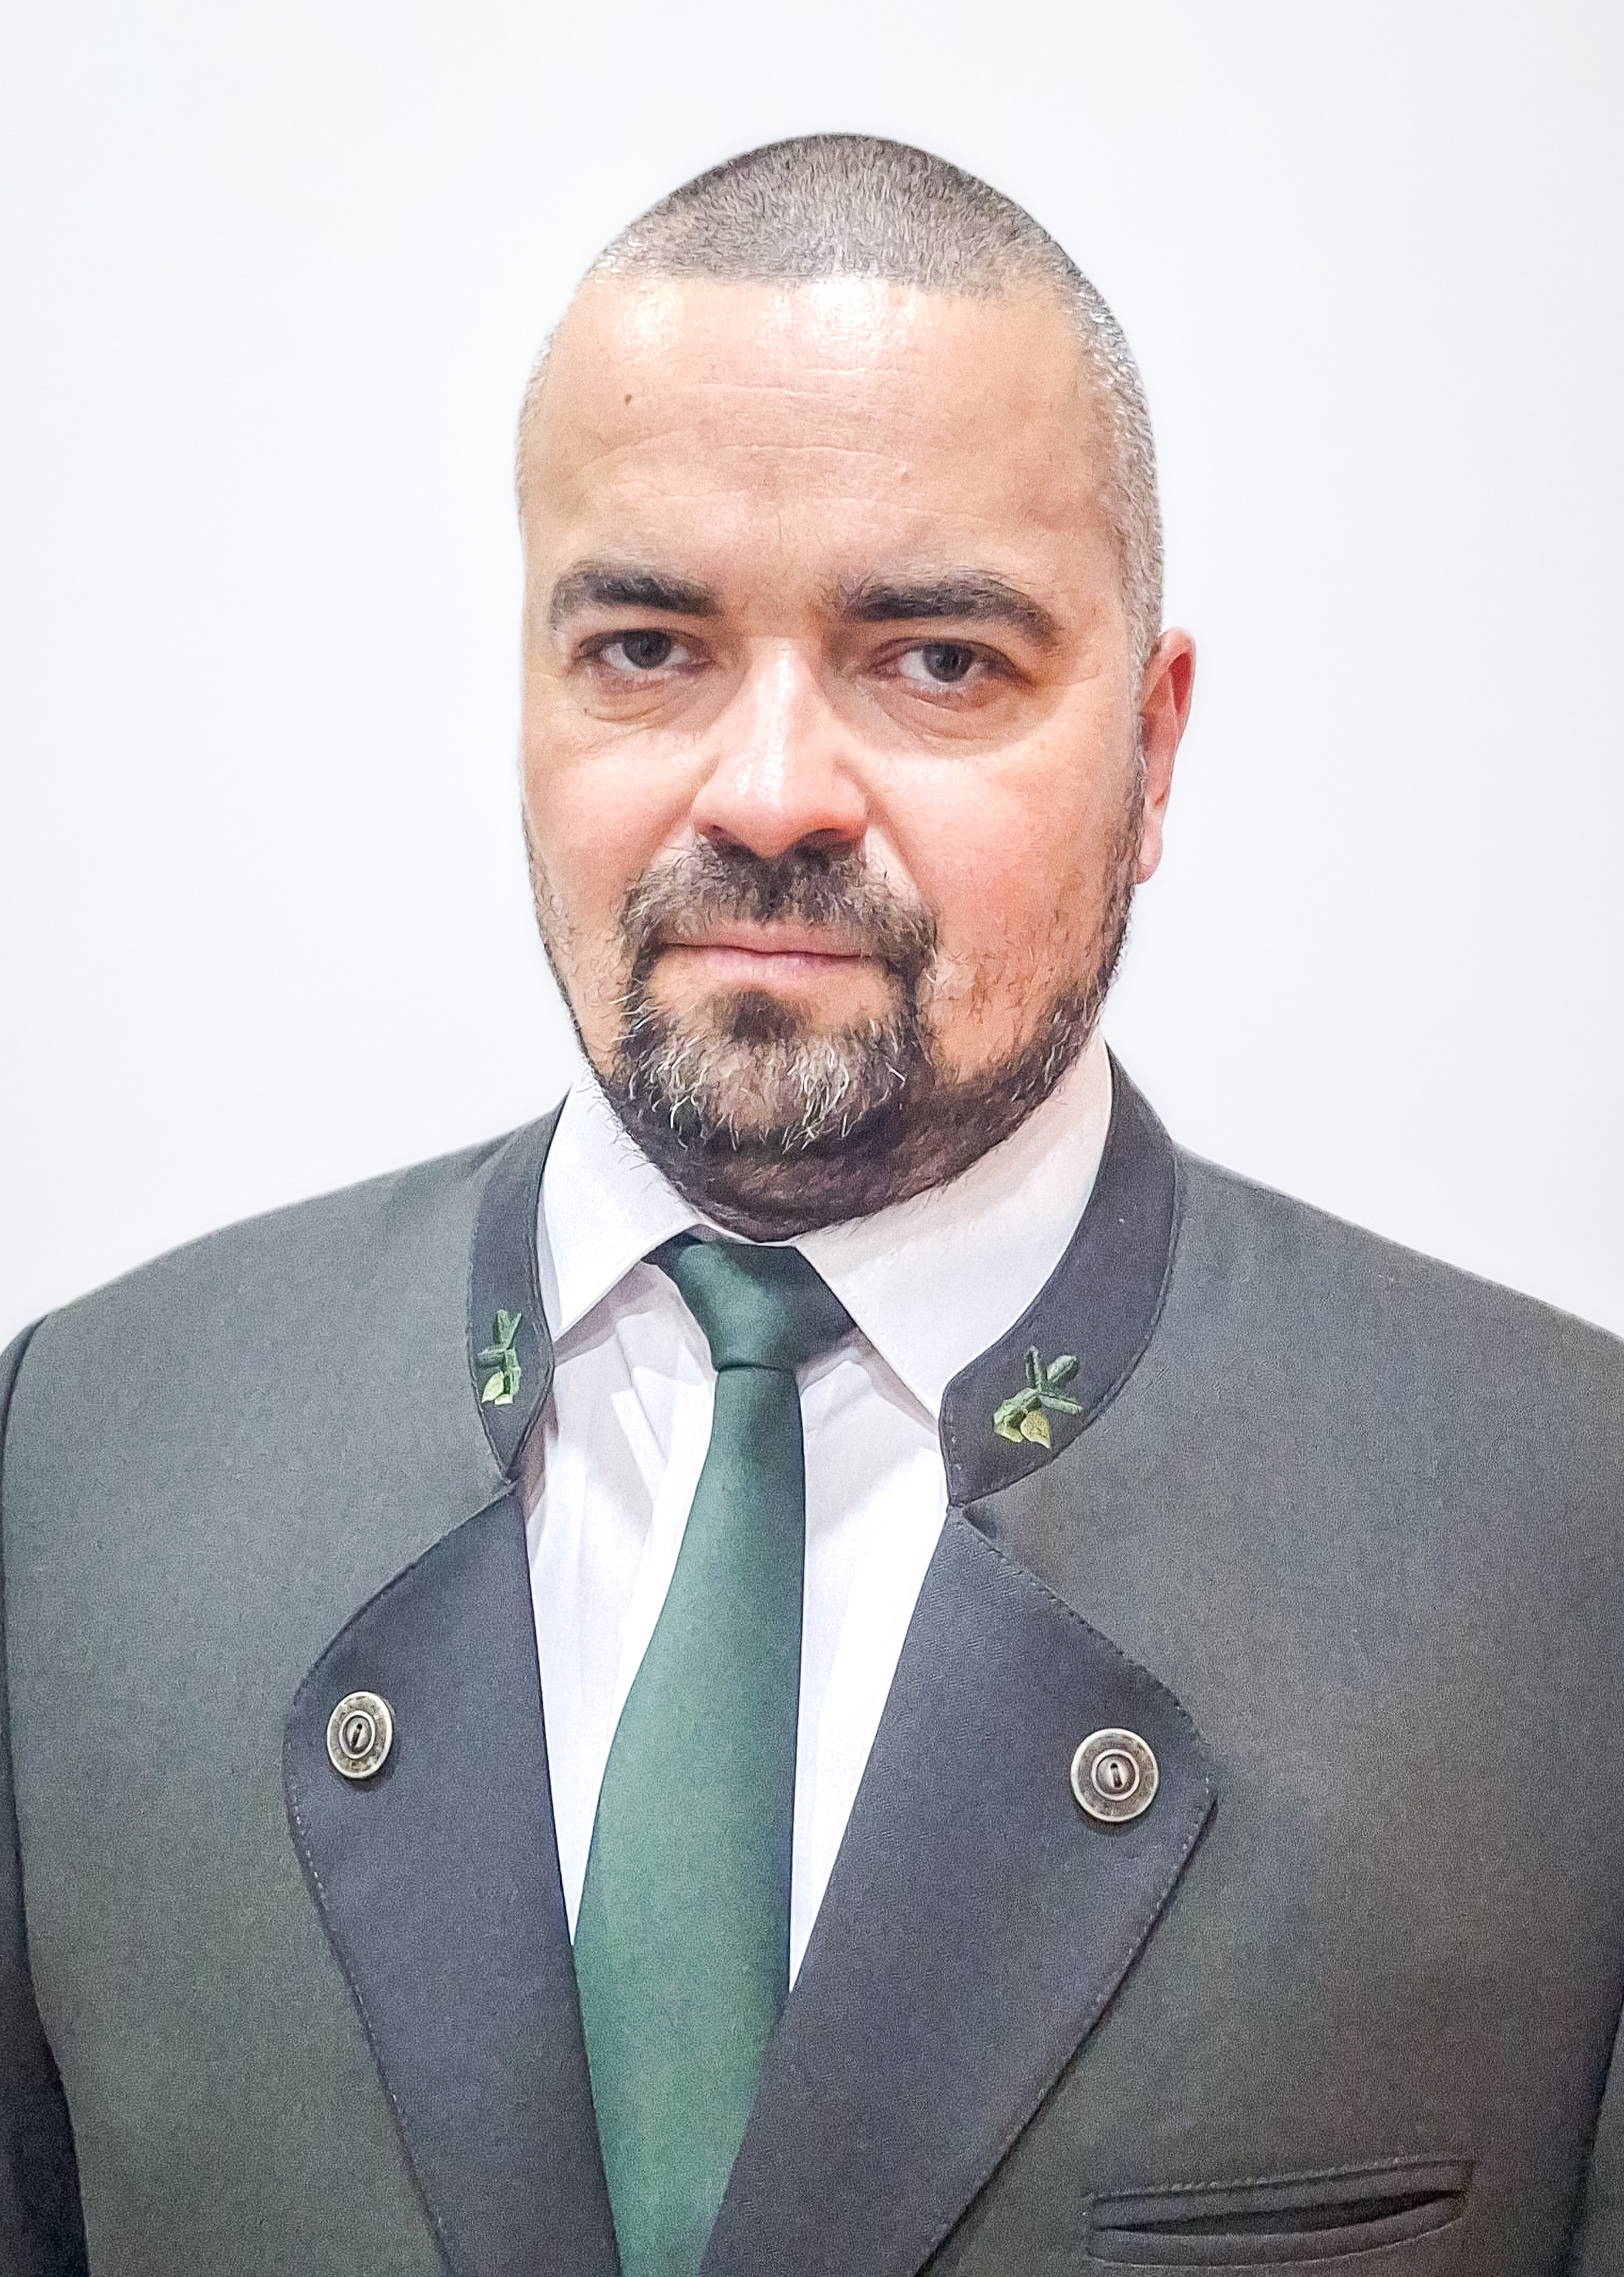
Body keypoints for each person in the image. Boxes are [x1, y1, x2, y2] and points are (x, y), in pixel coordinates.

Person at [2, 134, 1621, 2277]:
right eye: (647, 646)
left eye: (936, 660)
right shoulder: (80, 1462)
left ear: (1153, 754)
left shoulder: (1567, 1544)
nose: (769, 793)